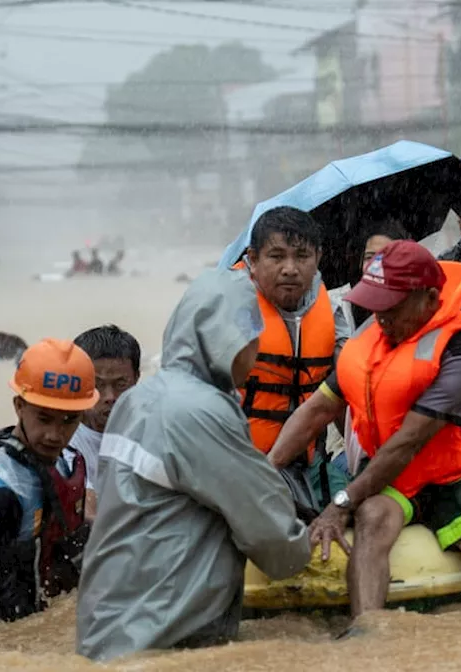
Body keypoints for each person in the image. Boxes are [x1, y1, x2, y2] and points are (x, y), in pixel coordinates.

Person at [272, 240, 461, 624]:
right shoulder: (367, 342)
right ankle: (368, 635)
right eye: (375, 305)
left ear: (429, 298)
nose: (380, 318)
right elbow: (317, 410)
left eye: (391, 305)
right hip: (393, 477)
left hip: (457, 475)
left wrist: (339, 505)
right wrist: (266, 467)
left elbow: (408, 443)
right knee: (373, 517)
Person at [76, 268, 310, 662]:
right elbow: (272, 536)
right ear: (230, 342)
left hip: (109, 625)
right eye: (253, 343)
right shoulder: (197, 411)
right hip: (161, 635)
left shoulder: (142, 398)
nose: (255, 356)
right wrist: (305, 545)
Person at [0, 339, 98, 628]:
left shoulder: (68, 461)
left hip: (40, 609)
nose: (55, 434)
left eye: (68, 420)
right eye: (44, 418)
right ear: (19, 406)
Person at [235, 206, 352, 511]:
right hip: (241, 460)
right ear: (253, 258)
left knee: (356, 507)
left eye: (302, 256)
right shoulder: (229, 306)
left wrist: (363, 461)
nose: (290, 268)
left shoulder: (332, 312)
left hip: (309, 463)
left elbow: (345, 393)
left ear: (318, 259)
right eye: (276, 256)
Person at [67, 325, 141, 520]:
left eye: (121, 385)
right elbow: (89, 511)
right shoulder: (62, 437)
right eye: (97, 385)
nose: (110, 397)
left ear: (137, 379)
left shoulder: (152, 431)